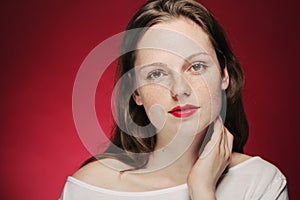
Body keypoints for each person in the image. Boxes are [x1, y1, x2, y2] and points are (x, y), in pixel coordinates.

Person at [60, 0, 288, 199]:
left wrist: (202, 191)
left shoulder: (261, 182)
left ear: (224, 75)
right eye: (156, 74)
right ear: (136, 93)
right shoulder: (89, 189)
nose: (179, 89)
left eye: (196, 66)